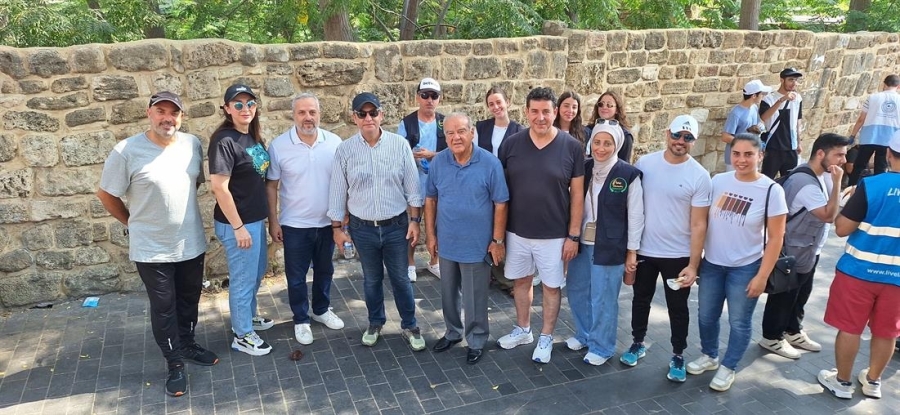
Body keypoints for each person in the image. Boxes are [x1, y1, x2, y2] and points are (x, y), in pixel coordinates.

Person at [97, 91, 216, 397]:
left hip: (190, 242)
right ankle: (174, 363)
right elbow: (106, 194)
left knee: (189, 299)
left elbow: (192, 184)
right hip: (151, 248)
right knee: (164, 307)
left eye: (173, 113)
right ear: (149, 113)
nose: (167, 118)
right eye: (160, 111)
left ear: (181, 117)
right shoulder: (126, 151)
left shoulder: (191, 144)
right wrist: (131, 222)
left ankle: (187, 344)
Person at [687, 133, 788, 392]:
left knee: (739, 322)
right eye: (736, 154)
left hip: (746, 267)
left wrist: (762, 276)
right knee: (706, 316)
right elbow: (700, 220)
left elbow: (776, 238)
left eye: (748, 154)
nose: (741, 160)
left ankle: (729, 366)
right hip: (713, 264)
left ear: (760, 156)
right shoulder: (718, 181)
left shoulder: (771, 191)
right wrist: (695, 261)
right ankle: (709, 355)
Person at [328, 92, 427, 351]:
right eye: (362, 114)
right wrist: (337, 228)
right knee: (371, 280)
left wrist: (415, 221)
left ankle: (410, 325)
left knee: (401, 279)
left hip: (396, 226)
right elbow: (337, 192)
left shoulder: (399, 145)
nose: (368, 118)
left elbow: (413, 188)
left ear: (381, 115)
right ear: (355, 118)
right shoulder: (345, 150)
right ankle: (375, 322)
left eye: (373, 113)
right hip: (362, 229)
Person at [495, 87, 585, 364]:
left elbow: (578, 195)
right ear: (526, 112)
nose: (540, 117)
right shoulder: (511, 145)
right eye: (534, 111)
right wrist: (498, 237)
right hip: (517, 232)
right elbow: (500, 193)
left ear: (555, 112)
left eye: (546, 111)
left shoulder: (572, 147)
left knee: (551, 287)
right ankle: (523, 329)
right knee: (521, 282)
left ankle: (546, 337)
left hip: (555, 234)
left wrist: (573, 236)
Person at [620, 115, 711, 383]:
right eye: (677, 135)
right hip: (646, 251)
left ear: (694, 141)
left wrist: (694, 264)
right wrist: (631, 250)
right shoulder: (645, 164)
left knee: (678, 308)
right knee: (640, 300)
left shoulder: (700, 176)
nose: (681, 141)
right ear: (667, 133)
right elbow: (632, 208)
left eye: (688, 137)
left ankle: (678, 354)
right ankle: (637, 342)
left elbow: (699, 224)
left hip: (678, 255)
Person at [817, 131, 900, 400]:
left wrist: (846, 202)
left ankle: (842, 382)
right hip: (896, 279)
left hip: (858, 272)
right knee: (887, 331)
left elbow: (842, 228)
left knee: (850, 328)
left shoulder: (872, 185)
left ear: (889, 154)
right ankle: (873, 381)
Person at [425, 113, 509, 365]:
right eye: (450, 133)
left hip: (476, 244)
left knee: (475, 296)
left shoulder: (490, 163)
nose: (456, 137)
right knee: (448, 293)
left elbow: (501, 203)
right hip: (447, 241)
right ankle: (452, 332)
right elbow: (430, 199)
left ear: (472, 132)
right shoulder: (439, 162)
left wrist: (497, 241)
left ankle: (477, 340)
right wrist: (431, 235)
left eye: (461, 131)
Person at [266, 93, 345, 346]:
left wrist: (343, 218)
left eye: (312, 112)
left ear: (319, 114)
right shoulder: (279, 146)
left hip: (327, 223)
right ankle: (300, 319)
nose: (307, 117)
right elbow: (271, 186)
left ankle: (320, 310)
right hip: (295, 225)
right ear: (293, 115)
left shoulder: (334, 143)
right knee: (296, 276)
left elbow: (344, 182)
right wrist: (273, 221)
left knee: (325, 270)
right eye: (302, 112)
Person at [760, 133, 848, 359]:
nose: (843, 160)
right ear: (820, 153)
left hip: (808, 249)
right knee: (785, 295)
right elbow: (828, 215)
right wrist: (838, 183)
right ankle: (772, 337)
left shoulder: (818, 175)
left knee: (801, 292)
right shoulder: (805, 183)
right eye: (839, 155)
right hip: (794, 250)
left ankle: (792, 330)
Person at [567, 121, 644, 366]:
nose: (601, 148)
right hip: (581, 241)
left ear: (617, 145)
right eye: (597, 142)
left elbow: (636, 215)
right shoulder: (585, 167)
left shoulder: (628, 174)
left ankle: (602, 347)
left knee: (603, 298)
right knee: (578, 290)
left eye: (608, 143)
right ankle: (585, 334)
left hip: (610, 245)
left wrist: (632, 251)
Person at [208, 84, 274, 357]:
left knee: (256, 274)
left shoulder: (251, 137)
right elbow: (219, 187)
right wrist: (238, 227)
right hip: (238, 224)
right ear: (227, 109)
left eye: (249, 103)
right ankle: (242, 335)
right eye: (237, 104)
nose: (244, 108)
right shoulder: (224, 141)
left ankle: (247, 317)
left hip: (254, 221)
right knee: (243, 280)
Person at [475, 86, 525, 295]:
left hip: (509, 185)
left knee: (504, 230)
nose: (496, 107)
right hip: (485, 185)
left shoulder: (519, 131)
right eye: (491, 104)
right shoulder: (481, 127)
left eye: (499, 102)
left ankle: (509, 279)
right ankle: (489, 272)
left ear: (508, 102)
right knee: (486, 227)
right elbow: (474, 154)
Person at [398, 77, 444, 282]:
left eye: (434, 96)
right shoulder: (406, 123)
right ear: (417, 97)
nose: (429, 100)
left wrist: (431, 155)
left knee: (439, 226)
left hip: (439, 185)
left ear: (439, 99)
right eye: (425, 95)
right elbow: (398, 152)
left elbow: (456, 151)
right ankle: (410, 263)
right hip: (414, 184)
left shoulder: (444, 123)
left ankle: (435, 261)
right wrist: (412, 156)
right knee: (412, 224)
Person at [846, 74, 900, 186]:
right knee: (881, 169)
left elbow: (861, 119)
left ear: (884, 84)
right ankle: (876, 191)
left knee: (859, 166)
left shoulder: (872, 97)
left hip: (869, 136)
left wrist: (853, 135)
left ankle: (850, 189)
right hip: (888, 140)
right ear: (898, 86)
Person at [760, 68, 804, 178]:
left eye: (795, 80)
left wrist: (799, 142)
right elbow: (764, 117)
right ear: (782, 80)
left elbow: (798, 121)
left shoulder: (797, 98)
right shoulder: (768, 99)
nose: (794, 83)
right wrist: (782, 100)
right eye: (790, 80)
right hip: (774, 146)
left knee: (790, 179)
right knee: (767, 178)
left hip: (791, 147)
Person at [722, 80, 771, 171]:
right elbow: (725, 137)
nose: (763, 96)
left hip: (750, 157)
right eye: (761, 94)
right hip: (736, 159)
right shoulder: (735, 113)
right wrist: (744, 140)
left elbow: (757, 124)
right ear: (754, 96)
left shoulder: (754, 108)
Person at [588, 91, 633, 163]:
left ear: (617, 110)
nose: (604, 107)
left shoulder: (625, 136)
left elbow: (624, 162)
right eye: (601, 104)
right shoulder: (588, 130)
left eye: (609, 105)